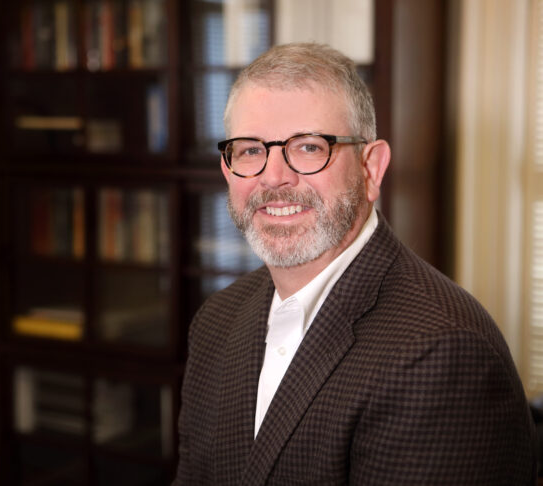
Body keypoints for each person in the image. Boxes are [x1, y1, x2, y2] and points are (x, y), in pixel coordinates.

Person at [174, 42, 537, 485]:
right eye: (250, 150)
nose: (273, 176)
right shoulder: (215, 320)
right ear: (228, 171)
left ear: (371, 169)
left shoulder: (443, 351)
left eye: (308, 147)